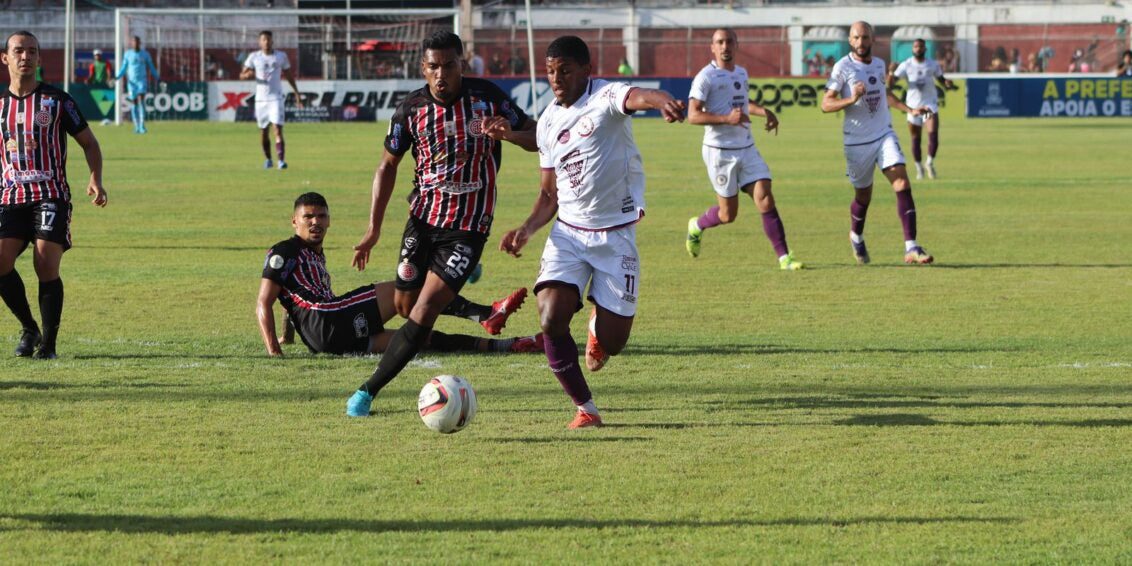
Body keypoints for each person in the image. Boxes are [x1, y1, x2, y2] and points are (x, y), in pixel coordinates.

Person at [345, 31, 536, 418]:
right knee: (404, 304)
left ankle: (367, 391)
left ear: (461, 64)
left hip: (469, 225)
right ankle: (481, 310)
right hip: (423, 219)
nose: (441, 74)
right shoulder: (411, 109)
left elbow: (536, 136)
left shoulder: (488, 98)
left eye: (449, 65)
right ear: (423, 68)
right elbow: (387, 166)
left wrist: (509, 135)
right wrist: (373, 228)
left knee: (425, 309)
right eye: (434, 66)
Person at [499, 35, 686, 429]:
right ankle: (586, 407)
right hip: (568, 234)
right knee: (550, 315)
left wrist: (662, 100)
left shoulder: (604, 97)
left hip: (615, 236)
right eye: (551, 71)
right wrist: (527, 229)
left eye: (565, 70)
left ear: (586, 69)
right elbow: (548, 193)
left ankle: (598, 331)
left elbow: (638, 95)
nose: (556, 78)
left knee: (615, 342)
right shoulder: (548, 119)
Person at [257, 192, 537, 357]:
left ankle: (503, 346)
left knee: (419, 336)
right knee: (408, 288)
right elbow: (264, 301)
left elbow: (288, 300)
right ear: (295, 221)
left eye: (321, 216)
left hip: (328, 339)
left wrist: (289, 338)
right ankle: (485, 313)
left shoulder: (314, 254)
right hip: (329, 317)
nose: (315, 222)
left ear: (329, 220)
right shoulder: (285, 250)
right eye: (308, 217)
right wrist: (273, 350)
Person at [0, 31, 108, 359]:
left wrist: (95, 177)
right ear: (5, 58)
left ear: (39, 58)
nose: (25, 57)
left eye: (32, 51)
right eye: (19, 51)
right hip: (10, 196)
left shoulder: (58, 101)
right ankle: (29, 327)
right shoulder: (0, 106)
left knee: (45, 261)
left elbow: (89, 142)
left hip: (51, 193)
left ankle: (48, 344)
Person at [684, 28, 803, 270]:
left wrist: (765, 112)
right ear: (713, 47)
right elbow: (693, 115)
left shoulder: (741, 73)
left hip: (747, 147)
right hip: (719, 151)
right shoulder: (705, 77)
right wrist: (726, 119)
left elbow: (743, 104)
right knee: (728, 215)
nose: (725, 46)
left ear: (736, 45)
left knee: (765, 198)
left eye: (729, 42)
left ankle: (784, 258)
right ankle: (697, 226)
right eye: (720, 42)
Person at [821, 21, 933, 266]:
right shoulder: (843, 67)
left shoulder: (879, 64)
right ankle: (856, 235)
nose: (861, 42)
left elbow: (886, 95)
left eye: (865, 37)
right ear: (850, 41)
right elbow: (825, 104)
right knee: (863, 195)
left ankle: (911, 246)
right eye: (856, 38)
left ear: (872, 39)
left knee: (902, 180)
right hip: (856, 141)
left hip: (884, 134)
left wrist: (911, 109)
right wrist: (852, 98)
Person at [889, 38, 954, 180]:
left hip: (929, 104)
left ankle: (929, 162)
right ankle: (919, 169)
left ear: (925, 49)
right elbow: (891, 84)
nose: (918, 49)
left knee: (933, 134)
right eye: (916, 46)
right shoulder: (906, 65)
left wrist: (947, 83)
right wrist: (890, 72)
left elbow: (942, 80)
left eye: (921, 46)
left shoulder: (932, 64)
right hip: (913, 107)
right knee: (915, 139)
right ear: (913, 49)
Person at [240, 30, 301, 170]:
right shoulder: (254, 57)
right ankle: (268, 159)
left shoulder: (281, 56)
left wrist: (296, 92)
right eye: (263, 40)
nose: (266, 42)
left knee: (278, 129)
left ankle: (281, 161)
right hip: (261, 100)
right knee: (263, 131)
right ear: (259, 42)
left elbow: (288, 75)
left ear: (272, 41)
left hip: (276, 98)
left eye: (268, 39)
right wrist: (247, 75)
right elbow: (242, 74)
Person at [114, 36, 158, 134]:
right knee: (134, 103)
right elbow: (123, 68)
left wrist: (157, 76)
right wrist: (117, 77)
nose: (135, 44)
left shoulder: (145, 54)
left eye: (137, 42)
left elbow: (151, 67)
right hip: (131, 83)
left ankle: (142, 125)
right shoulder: (128, 54)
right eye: (134, 42)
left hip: (142, 81)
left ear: (140, 43)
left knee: (141, 100)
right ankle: (136, 126)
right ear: (131, 43)